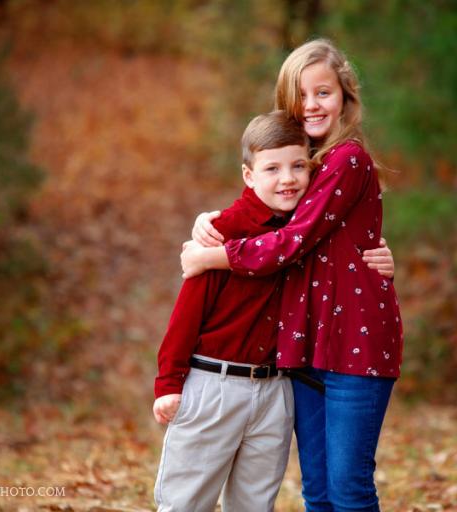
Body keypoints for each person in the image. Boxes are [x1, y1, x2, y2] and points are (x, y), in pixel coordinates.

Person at [181, 39, 404, 512]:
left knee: (349, 491)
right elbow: (264, 210)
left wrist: (211, 257)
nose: (312, 105)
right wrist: (214, 220)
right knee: (318, 493)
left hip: (354, 347)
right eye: (300, 96)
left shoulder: (347, 160)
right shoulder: (302, 168)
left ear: (344, 94)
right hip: (306, 348)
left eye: (323, 92)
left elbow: (292, 241)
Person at [153, 111, 317, 511]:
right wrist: (168, 382)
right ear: (249, 175)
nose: (287, 179)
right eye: (272, 168)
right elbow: (186, 315)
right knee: (186, 502)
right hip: (215, 385)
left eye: (298, 166)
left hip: (276, 390)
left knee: (254, 504)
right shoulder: (221, 231)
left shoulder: (312, 230)